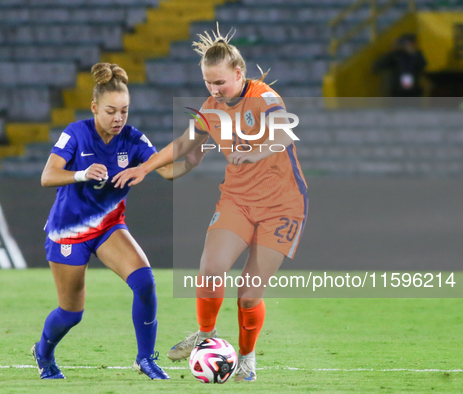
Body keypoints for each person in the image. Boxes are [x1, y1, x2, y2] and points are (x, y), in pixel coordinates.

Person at [113, 27, 308, 382]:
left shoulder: (265, 98)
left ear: (239, 73)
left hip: (283, 205)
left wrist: (254, 152)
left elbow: (281, 134)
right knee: (210, 269)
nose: (214, 90)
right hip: (238, 200)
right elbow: (187, 147)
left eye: (220, 82)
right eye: (207, 83)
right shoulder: (211, 108)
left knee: (249, 294)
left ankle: (247, 358)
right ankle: (205, 336)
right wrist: (149, 167)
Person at [33, 62, 204, 380]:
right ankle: (43, 352)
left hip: (109, 227)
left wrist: (193, 157)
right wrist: (82, 173)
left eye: (124, 111)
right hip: (68, 232)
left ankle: (146, 358)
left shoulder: (133, 139)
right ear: (95, 107)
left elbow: (166, 170)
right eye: (111, 111)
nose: (118, 119)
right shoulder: (76, 134)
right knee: (71, 314)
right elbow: (47, 176)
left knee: (144, 283)